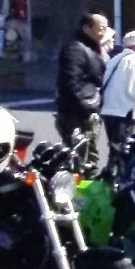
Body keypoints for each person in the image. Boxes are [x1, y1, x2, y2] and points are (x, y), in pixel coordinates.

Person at [55, 12, 108, 172]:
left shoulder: (92, 48)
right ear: (86, 28)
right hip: (76, 115)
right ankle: (79, 188)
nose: (103, 33)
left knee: (86, 160)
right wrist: (84, 110)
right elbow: (70, 84)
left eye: (105, 29)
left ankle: (81, 185)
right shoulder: (75, 49)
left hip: (88, 110)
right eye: (100, 28)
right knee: (83, 162)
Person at [101, 29, 135, 157]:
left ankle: (112, 168)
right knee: (123, 150)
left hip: (108, 110)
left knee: (114, 148)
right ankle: (117, 169)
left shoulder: (114, 60)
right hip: (125, 112)